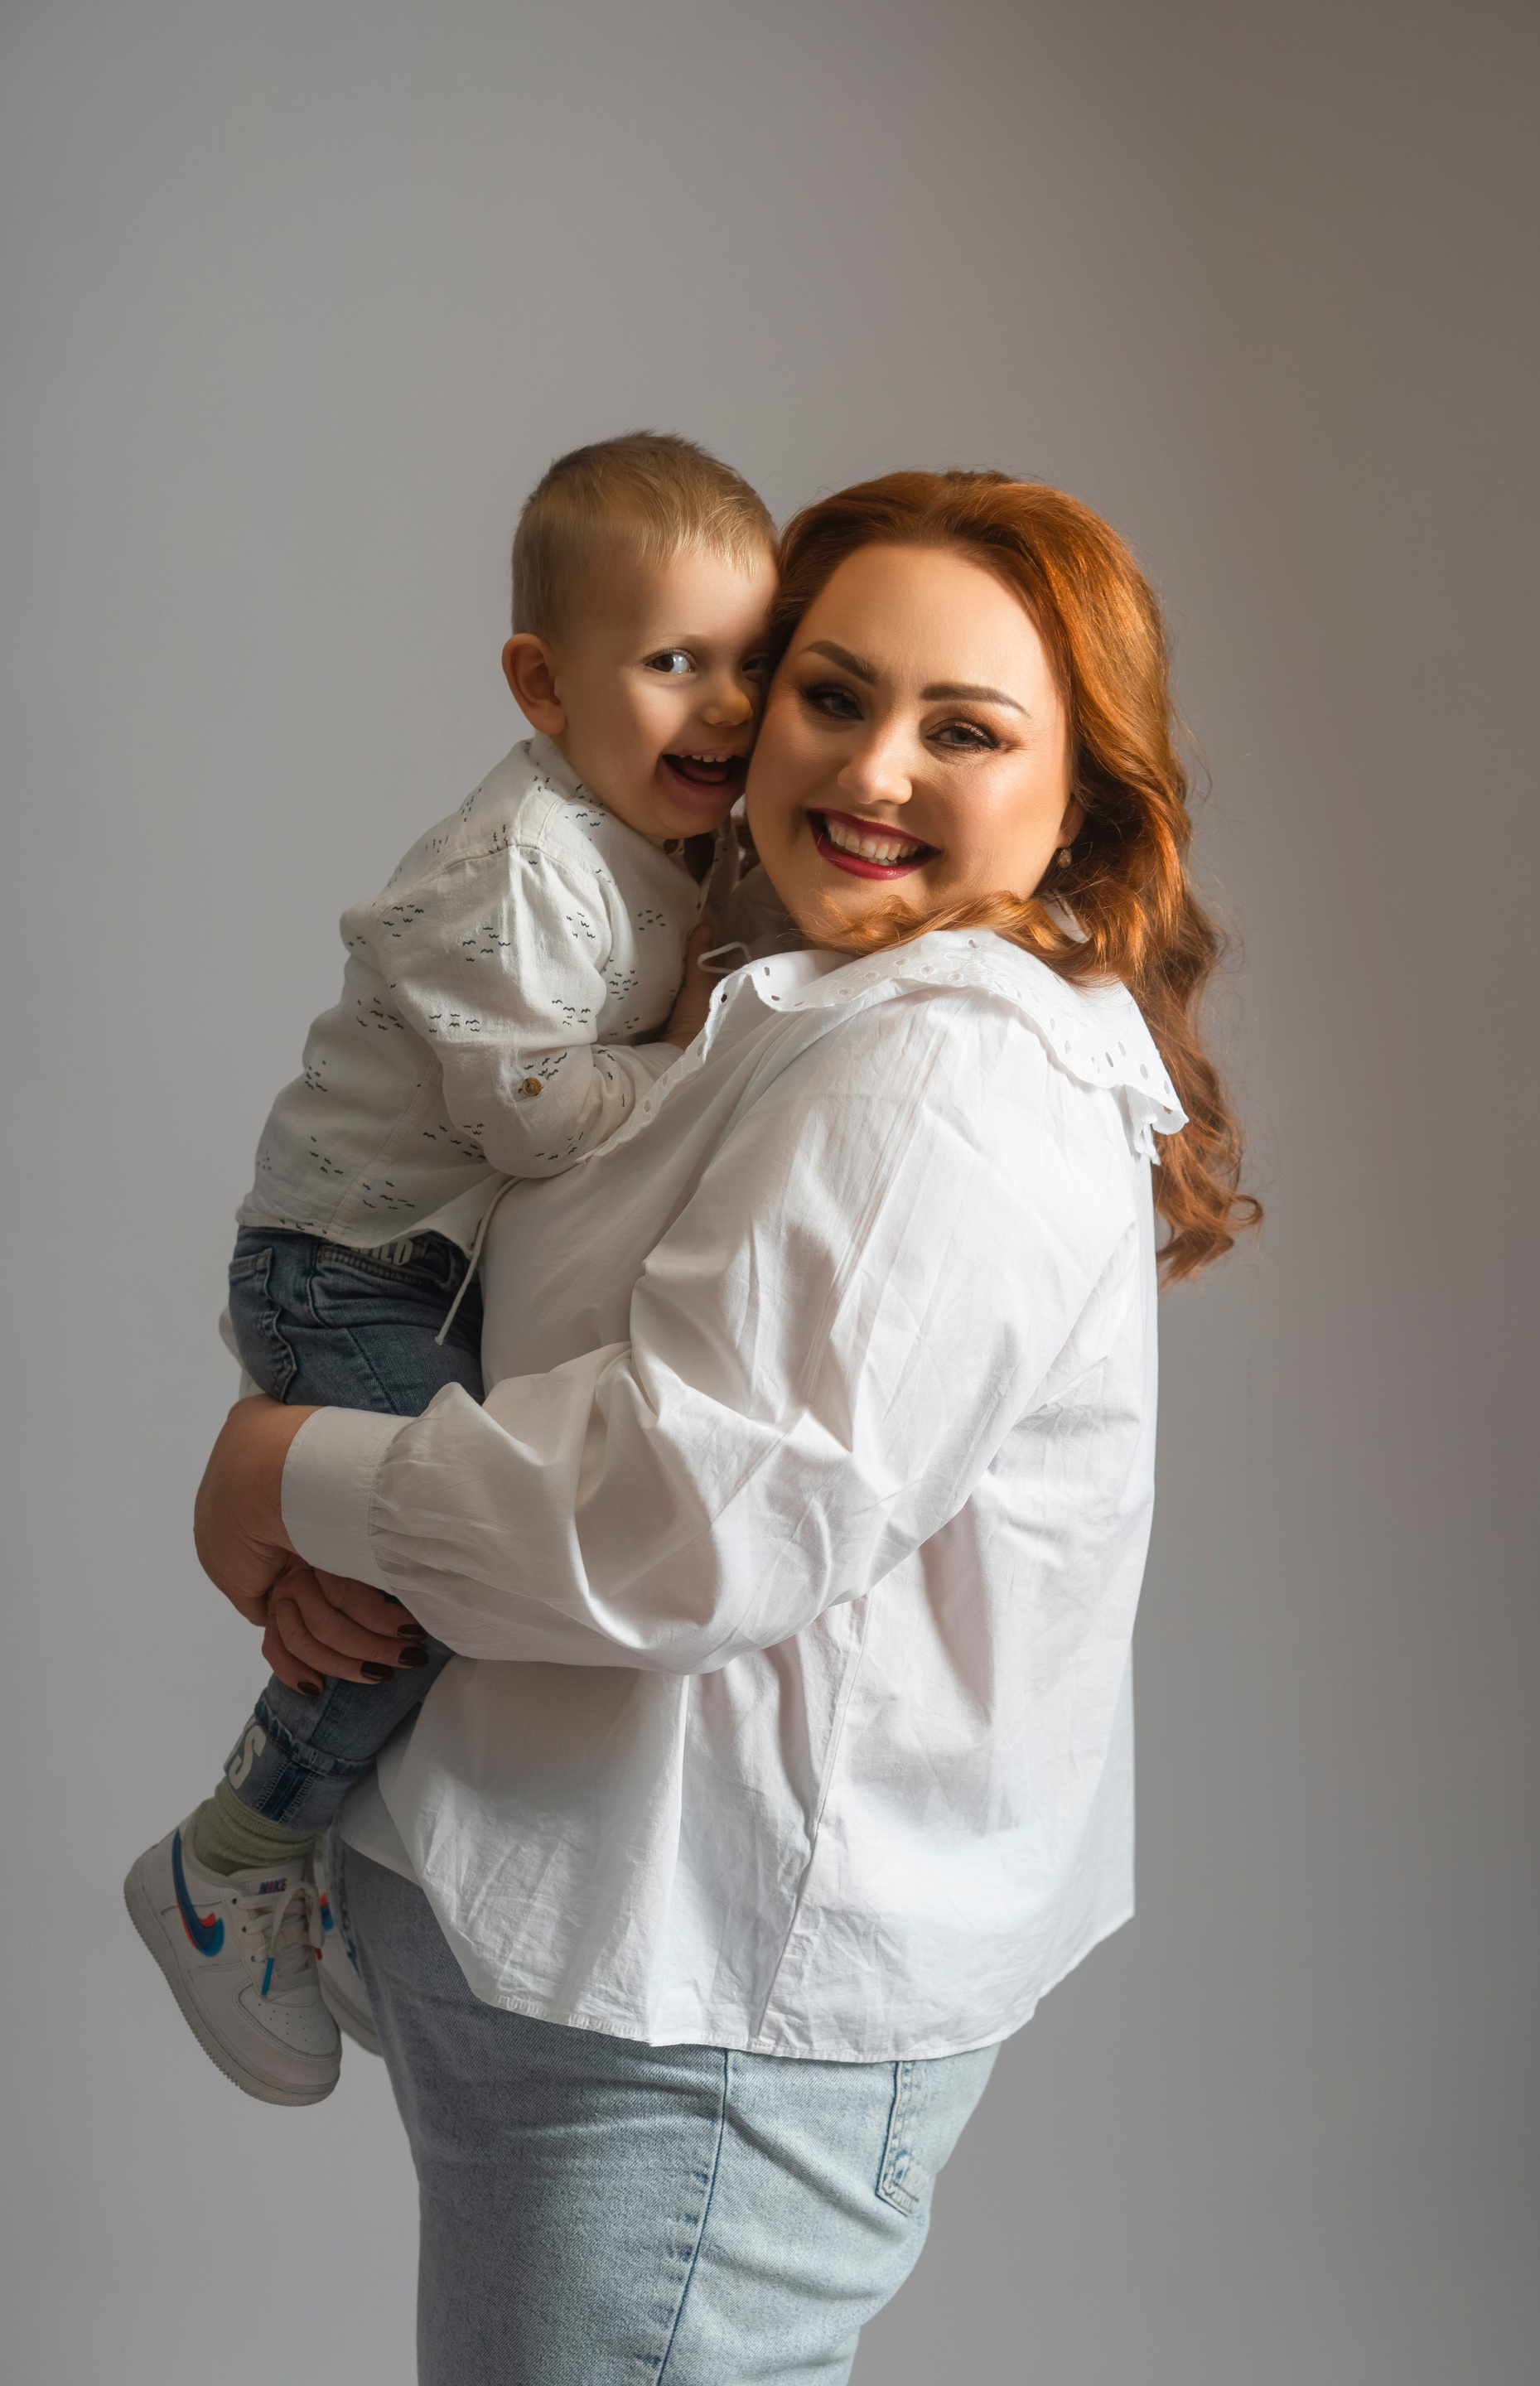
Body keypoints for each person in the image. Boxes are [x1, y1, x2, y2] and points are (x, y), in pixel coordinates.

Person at [191, 469, 1258, 2383]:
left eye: (965, 729)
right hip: (579, 1946)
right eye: (830, 694)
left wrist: (285, 1473)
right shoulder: (803, 1002)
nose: (873, 768)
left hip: (686, 2021)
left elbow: (674, 1524)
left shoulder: (944, 1069)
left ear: (1084, 796)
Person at [123, 430, 778, 2106]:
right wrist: (700, 1052)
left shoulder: (673, 836)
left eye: (751, 664)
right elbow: (532, 1114)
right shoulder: (523, 867)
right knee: (438, 1555)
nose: (725, 706)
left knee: (420, 1573)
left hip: (427, 1271)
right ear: (543, 683)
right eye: (673, 662)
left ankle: (327, 1857)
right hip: (350, 1265)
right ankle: (233, 1853)